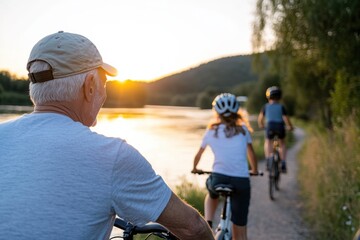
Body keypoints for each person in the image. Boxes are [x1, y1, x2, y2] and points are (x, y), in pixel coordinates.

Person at [0, 31, 214, 240]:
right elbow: (193, 228)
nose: (104, 92)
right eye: (104, 83)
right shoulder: (112, 156)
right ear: (90, 87)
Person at [192, 93, 258, 240]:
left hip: (218, 178)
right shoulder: (243, 130)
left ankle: (208, 223)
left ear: (217, 113)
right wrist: (254, 170)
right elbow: (252, 155)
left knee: (212, 192)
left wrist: (195, 167)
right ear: (237, 112)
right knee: (240, 229)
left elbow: (198, 155)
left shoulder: (211, 131)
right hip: (241, 181)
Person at [257, 86, 294, 173]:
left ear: (268, 97)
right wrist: (290, 126)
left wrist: (261, 125)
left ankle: (268, 160)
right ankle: (283, 163)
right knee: (282, 143)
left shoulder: (265, 106)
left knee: (268, 142)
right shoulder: (281, 107)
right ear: (279, 97)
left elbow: (260, 119)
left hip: (269, 126)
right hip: (280, 126)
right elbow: (286, 119)